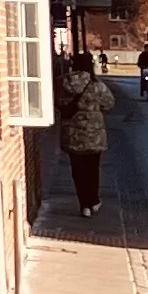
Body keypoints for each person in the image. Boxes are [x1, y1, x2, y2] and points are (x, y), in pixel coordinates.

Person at [55, 46, 112, 217]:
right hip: (94, 134)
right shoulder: (97, 85)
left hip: (72, 133)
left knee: (77, 170)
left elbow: (58, 102)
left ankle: (84, 204)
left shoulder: (62, 83)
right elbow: (109, 103)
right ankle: (93, 200)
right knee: (92, 169)